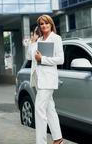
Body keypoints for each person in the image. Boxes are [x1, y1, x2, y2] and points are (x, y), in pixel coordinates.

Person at [27, 15, 64, 144]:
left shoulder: (56, 38)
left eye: (46, 23)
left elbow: (60, 59)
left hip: (48, 80)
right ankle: (58, 139)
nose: (44, 26)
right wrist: (33, 41)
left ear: (50, 24)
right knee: (50, 109)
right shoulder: (39, 39)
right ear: (39, 27)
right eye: (41, 24)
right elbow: (29, 56)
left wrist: (42, 59)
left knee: (39, 109)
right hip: (38, 79)